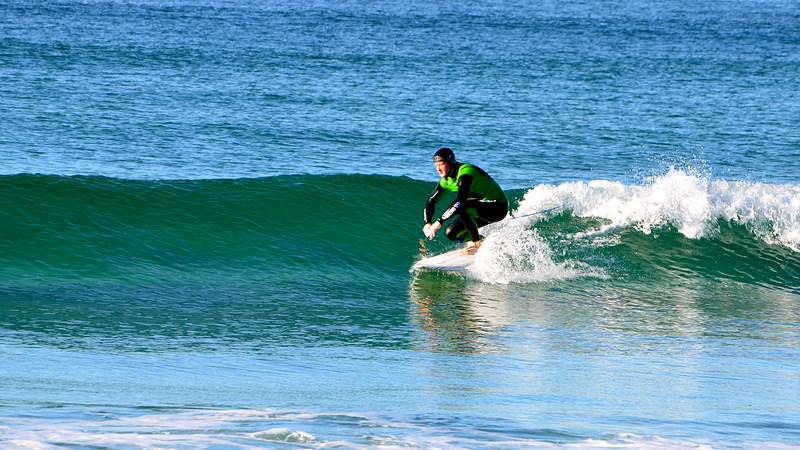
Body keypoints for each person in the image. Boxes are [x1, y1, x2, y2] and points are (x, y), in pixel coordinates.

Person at [422, 147, 508, 254]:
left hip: (498, 207)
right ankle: (484, 242)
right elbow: (431, 200)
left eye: (441, 164)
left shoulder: (466, 172)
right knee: (452, 233)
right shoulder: (446, 181)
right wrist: (427, 222)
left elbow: (460, 202)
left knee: (462, 206)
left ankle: (476, 244)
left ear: (450, 162)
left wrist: (439, 221)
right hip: (477, 208)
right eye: (436, 165)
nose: (438, 169)